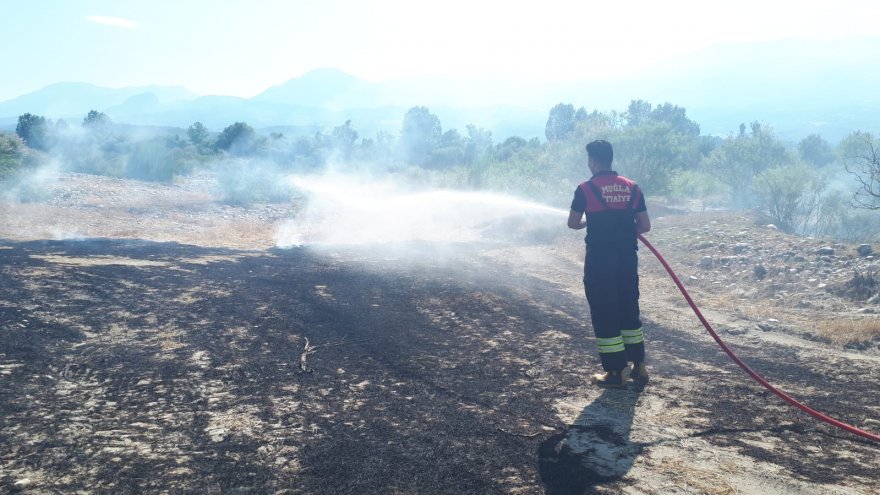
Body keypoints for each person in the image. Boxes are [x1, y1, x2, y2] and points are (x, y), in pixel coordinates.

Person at [567, 140, 651, 388]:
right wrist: (623, 233)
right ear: (610, 159)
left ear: (593, 161)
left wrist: (589, 223)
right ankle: (639, 367)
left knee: (605, 312)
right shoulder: (632, 187)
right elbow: (644, 226)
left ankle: (615, 373)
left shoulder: (585, 189)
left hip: (600, 262)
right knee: (628, 309)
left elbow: (573, 223)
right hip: (627, 260)